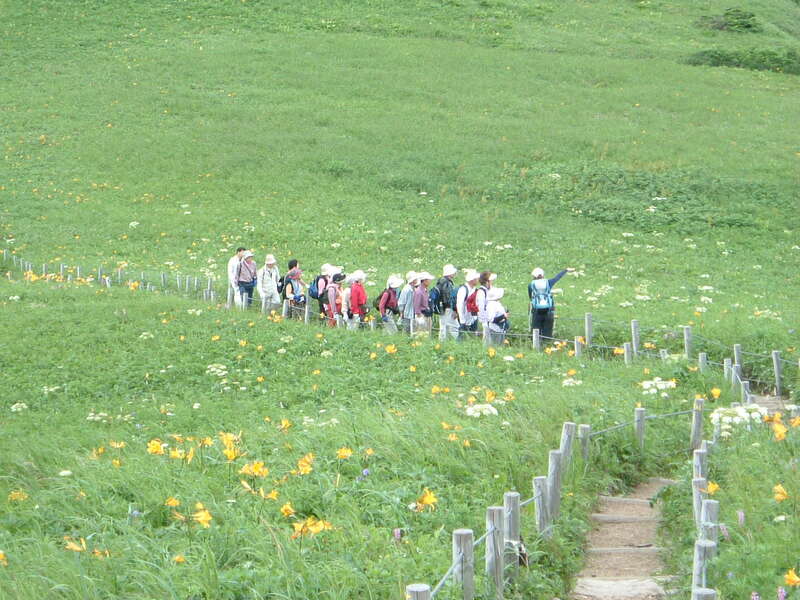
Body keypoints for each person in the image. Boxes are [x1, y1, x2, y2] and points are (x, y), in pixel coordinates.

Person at [528, 267, 573, 339]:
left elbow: (531, 297)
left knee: (536, 331)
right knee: (547, 331)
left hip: (536, 311)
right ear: (543, 275)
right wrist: (565, 270)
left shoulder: (531, 285)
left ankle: (536, 347)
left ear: (533, 276)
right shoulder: (548, 282)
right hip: (549, 310)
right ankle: (547, 344)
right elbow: (557, 278)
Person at [455, 269, 480, 340]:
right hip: (464, 320)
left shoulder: (475, 289)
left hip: (473, 318)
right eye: (476, 279)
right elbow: (459, 305)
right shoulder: (463, 290)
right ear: (472, 280)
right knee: (462, 338)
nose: (478, 280)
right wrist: (462, 320)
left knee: (472, 339)